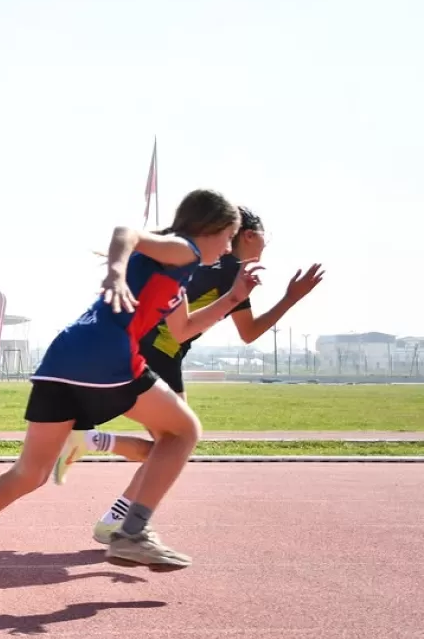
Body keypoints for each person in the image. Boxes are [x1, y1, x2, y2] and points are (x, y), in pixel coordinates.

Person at [0, 189, 259, 595]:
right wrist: (115, 273)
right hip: (106, 354)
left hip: (62, 360)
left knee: (30, 473)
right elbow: (127, 232)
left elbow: (181, 330)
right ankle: (133, 531)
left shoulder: (179, 269)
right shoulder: (184, 249)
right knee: (183, 431)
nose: (230, 247)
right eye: (229, 236)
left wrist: (233, 298)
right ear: (209, 228)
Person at [56, 207, 324, 544]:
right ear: (249, 235)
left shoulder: (201, 260)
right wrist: (290, 298)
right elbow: (249, 332)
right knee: (174, 446)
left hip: (143, 350)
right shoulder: (232, 269)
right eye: (264, 239)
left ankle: (113, 504)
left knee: (167, 449)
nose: (265, 247)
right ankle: (114, 506)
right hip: (159, 356)